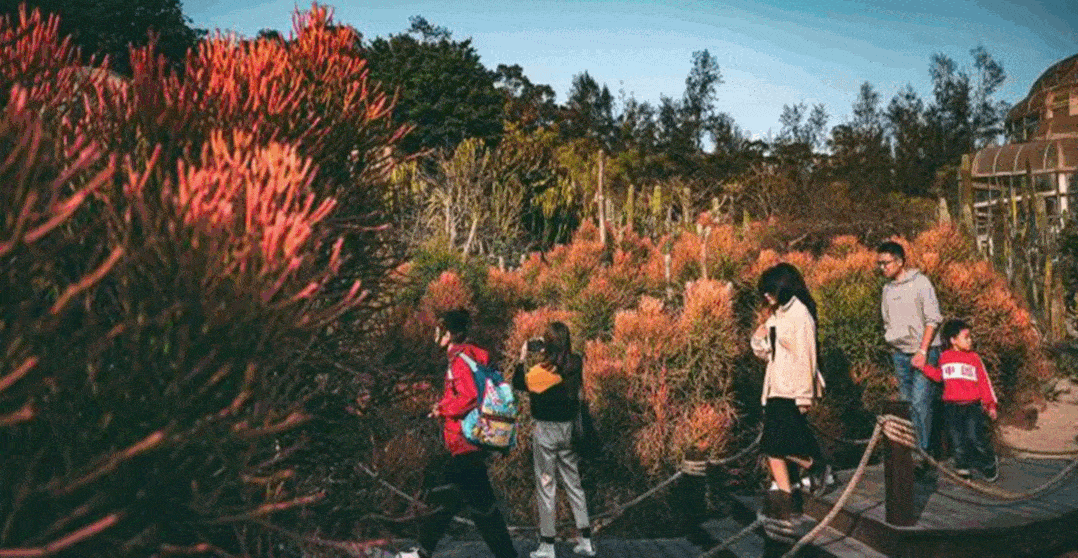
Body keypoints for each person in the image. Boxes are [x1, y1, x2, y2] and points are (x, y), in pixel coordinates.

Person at [396, 309, 519, 558]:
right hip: (469, 441)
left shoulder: (460, 360)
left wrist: (442, 409)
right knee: (467, 503)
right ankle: (425, 550)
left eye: (439, 329)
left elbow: (469, 396)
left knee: (462, 502)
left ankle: (423, 551)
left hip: (464, 442)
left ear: (448, 332)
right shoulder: (471, 356)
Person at [750, 263, 830, 516]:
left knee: (780, 445)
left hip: (792, 389)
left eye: (770, 290)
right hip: (774, 387)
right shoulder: (778, 315)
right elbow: (769, 353)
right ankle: (787, 500)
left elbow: (808, 357)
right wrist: (758, 339)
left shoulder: (800, 315)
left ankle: (815, 465)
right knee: (771, 448)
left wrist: (804, 395)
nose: (766, 295)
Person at [512, 322, 594, 558]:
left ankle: (548, 544)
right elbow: (566, 362)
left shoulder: (540, 373)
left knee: (546, 486)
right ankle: (586, 541)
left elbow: (518, 383)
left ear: (546, 345)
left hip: (546, 431)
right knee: (574, 484)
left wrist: (523, 356)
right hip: (569, 431)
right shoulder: (575, 363)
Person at [877, 240, 943, 458]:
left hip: (924, 351)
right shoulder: (887, 290)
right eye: (879, 263)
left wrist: (922, 351)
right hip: (900, 352)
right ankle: (913, 452)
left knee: (920, 402)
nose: (883, 267)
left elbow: (933, 319)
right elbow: (887, 320)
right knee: (907, 403)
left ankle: (922, 454)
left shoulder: (921, 283)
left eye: (886, 263)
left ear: (899, 261)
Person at [917, 319, 999, 482]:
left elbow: (984, 383)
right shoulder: (945, 357)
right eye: (966, 337)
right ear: (953, 340)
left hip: (972, 406)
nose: (970, 340)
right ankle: (963, 467)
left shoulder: (974, 358)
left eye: (970, 337)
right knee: (957, 439)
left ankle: (989, 462)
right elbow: (940, 376)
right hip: (951, 406)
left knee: (975, 437)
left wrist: (990, 405)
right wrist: (923, 367)